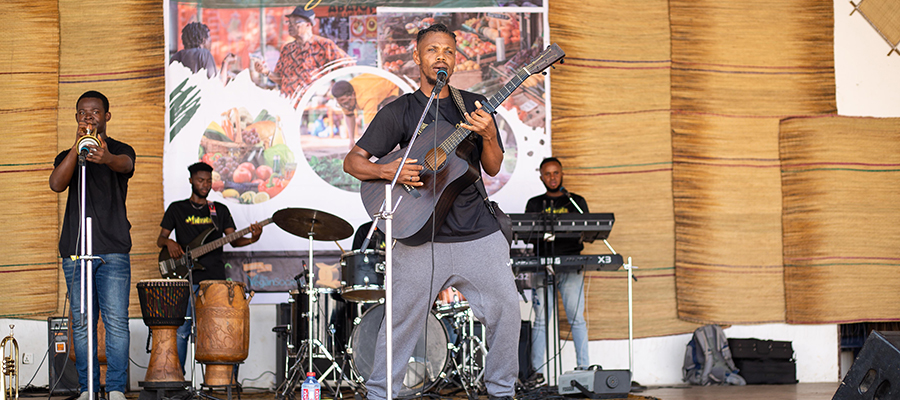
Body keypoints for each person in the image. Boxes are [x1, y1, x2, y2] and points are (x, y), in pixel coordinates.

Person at [343, 23, 520, 400]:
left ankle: (503, 391)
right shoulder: (400, 111)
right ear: (417, 57)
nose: (441, 56)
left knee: (507, 309)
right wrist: (386, 170)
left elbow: (491, 166)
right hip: (418, 233)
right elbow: (352, 162)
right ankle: (381, 394)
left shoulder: (473, 106)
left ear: (455, 59)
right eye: (432, 50)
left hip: (477, 231)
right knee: (400, 323)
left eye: (449, 51)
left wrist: (488, 134)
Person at [50, 91, 135, 400]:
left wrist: (104, 155)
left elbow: (124, 165)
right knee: (83, 324)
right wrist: (78, 148)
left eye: (95, 112)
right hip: (76, 251)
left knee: (115, 322)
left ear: (106, 117)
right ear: (76, 118)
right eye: (82, 113)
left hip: (112, 250)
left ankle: (114, 389)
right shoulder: (68, 155)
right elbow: (57, 183)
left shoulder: (121, 150)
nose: (88, 116)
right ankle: (88, 388)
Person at [157, 162, 263, 372]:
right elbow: (161, 239)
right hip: (185, 280)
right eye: (200, 180)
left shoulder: (219, 210)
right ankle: (177, 379)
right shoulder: (177, 209)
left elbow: (233, 240)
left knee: (216, 330)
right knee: (182, 330)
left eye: (208, 180)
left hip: (215, 282)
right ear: (191, 181)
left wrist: (253, 238)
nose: (205, 185)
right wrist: (170, 243)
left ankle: (219, 381)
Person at [525, 157, 591, 378]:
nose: (552, 178)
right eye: (547, 174)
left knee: (576, 319)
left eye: (556, 173)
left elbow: (589, 231)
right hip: (542, 267)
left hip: (571, 265)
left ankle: (584, 369)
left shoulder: (575, 201)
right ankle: (537, 374)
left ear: (562, 174)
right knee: (541, 320)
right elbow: (527, 235)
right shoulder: (534, 204)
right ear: (541, 176)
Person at [253, 7, 353, 100]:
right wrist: (266, 72)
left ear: (308, 24)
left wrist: (331, 87)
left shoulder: (324, 45)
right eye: (289, 22)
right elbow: (282, 80)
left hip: (313, 104)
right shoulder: (287, 49)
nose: (290, 25)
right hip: (289, 104)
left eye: (295, 22)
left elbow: (348, 66)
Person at [331, 75, 400, 148]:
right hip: (373, 85)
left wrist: (362, 149)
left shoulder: (367, 97)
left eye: (345, 103)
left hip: (393, 86)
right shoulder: (344, 94)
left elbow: (368, 127)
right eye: (341, 104)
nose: (346, 107)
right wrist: (351, 139)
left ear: (353, 94)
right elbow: (349, 115)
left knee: (385, 116)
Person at [170, 22, 236, 83]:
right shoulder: (204, 54)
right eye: (209, 37)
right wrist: (226, 62)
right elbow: (218, 84)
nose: (211, 41)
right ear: (204, 41)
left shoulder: (175, 57)